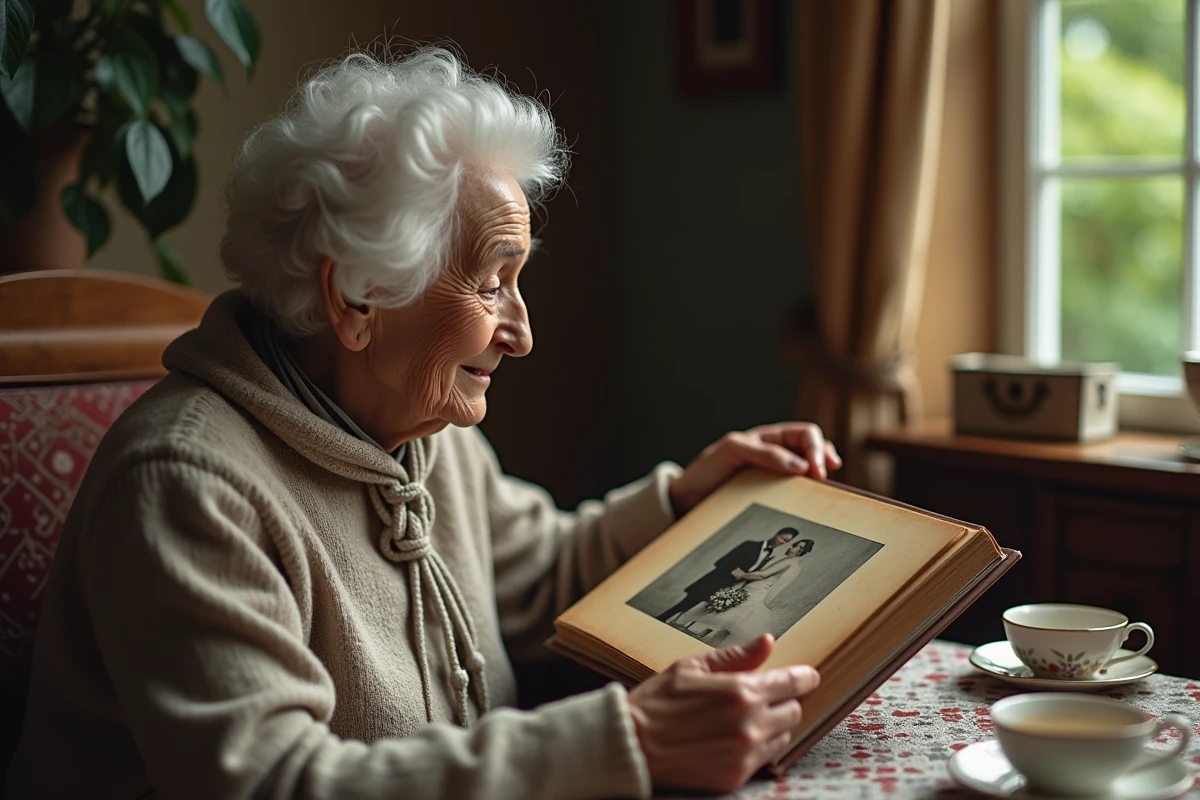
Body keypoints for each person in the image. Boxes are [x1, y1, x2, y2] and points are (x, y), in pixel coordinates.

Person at [6, 47, 843, 799]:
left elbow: (543, 575)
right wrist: (630, 741)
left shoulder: (419, 429)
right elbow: (275, 782)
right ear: (356, 297)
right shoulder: (186, 484)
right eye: (491, 283)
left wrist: (684, 498)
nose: (521, 332)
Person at [677, 539, 817, 645]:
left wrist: (742, 574)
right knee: (732, 613)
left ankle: (702, 634)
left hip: (757, 589)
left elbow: (763, 575)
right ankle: (702, 634)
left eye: (798, 547)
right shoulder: (794, 565)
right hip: (757, 588)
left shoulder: (789, 562)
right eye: (795, 544)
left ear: (801, 552)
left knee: (732, 612)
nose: (792, 547)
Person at [656, 526, 799, 623]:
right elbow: (721, 562)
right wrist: (734, 570)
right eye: (782, 538)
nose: (782, 542)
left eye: (786, 542)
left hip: (725, 589)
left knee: (694, 615)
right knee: (682, 607)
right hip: (711, 583)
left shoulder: (770, 554)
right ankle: (656, 621)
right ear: (777, 534)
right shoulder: (750, 545)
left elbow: (750, 573)